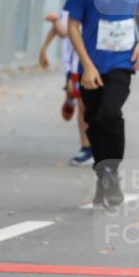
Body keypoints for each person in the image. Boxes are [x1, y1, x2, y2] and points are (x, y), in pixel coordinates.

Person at [66, 0, 139, 207]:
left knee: (109, 114)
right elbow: (73, 27)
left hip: (121, 62)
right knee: (93, 122)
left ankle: (111, 172)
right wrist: (86, 65)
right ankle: (104, 176)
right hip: (91, 65)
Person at [39, 11, 92, 165]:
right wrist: (43, 49)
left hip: (96, 64)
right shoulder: (71, 7)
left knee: (91, 107)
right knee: (83, 107)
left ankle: (70, 96)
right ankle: (87, 148)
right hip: (75, 67)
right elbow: (61, 31)